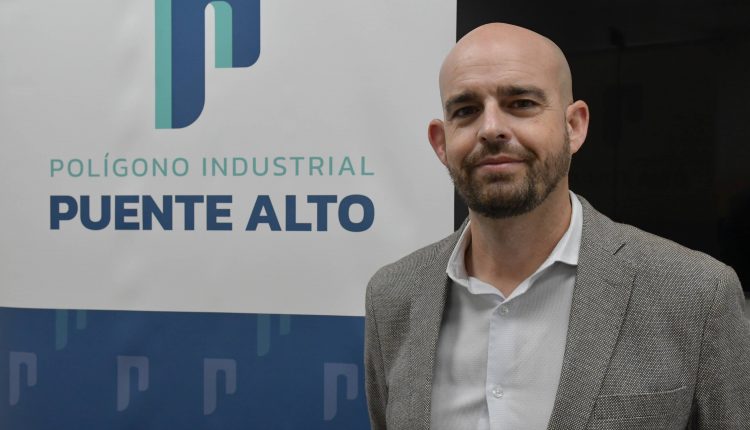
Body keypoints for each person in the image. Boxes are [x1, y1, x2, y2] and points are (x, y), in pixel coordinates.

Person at [364, 23, 750, 430]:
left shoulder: (696, 295)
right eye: (466, 110)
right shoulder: (392, 297)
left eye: (521, 103)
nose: (490, 128)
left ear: (574, 126)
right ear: (441, 143)